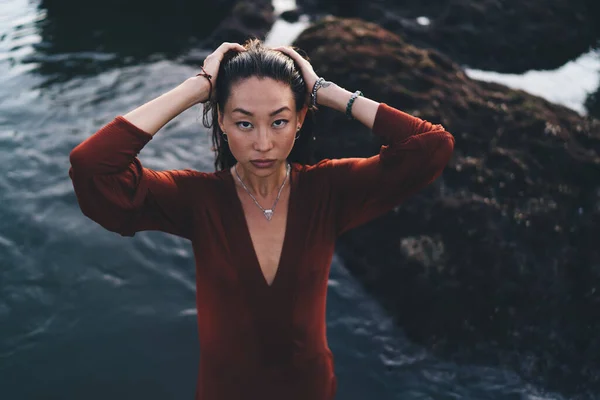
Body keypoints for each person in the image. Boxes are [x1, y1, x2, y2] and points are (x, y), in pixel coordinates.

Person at [68, 39, 455, 400]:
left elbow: (430, 147)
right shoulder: (195, 199)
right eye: (244, 123)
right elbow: (92, 168)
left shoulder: (329, 190)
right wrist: (196, 87)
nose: (263, 144)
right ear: (221, 120)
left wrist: (324, 90)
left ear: (300, 119)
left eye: (279, 121)